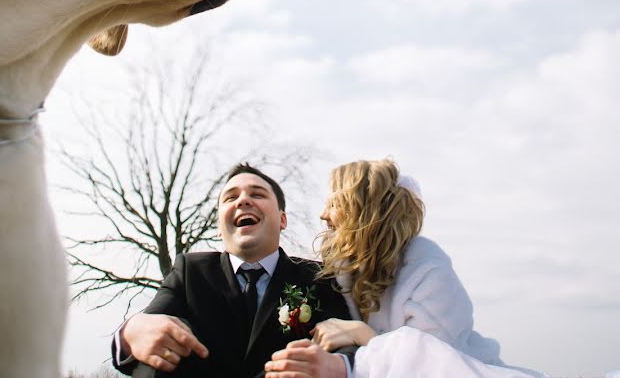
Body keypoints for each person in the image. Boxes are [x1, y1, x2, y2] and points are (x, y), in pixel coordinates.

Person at [265, 159, 542, 378]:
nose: (322, 215)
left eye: (335, 204)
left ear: (366, 212)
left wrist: (362, 334)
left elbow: (433, 364)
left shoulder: (428, 270)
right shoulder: (343, 270)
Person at [112, 163, 354, 378]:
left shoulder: (318, 276)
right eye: (230, 197)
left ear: (282, 220)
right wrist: (128, 333)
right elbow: (152, 326)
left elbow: (346, 345)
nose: (243, 201)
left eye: (257, 194)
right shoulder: (189, 272)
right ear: (219, 226)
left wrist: (337, 364)